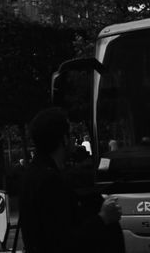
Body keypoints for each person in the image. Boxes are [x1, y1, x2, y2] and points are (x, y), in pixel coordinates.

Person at [19, 106, 122, 252]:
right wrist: (103, 217)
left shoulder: (30, 175)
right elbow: (63, 240)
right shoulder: (50, 181)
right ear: (63, 139)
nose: (73, 139)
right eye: (70, 134)